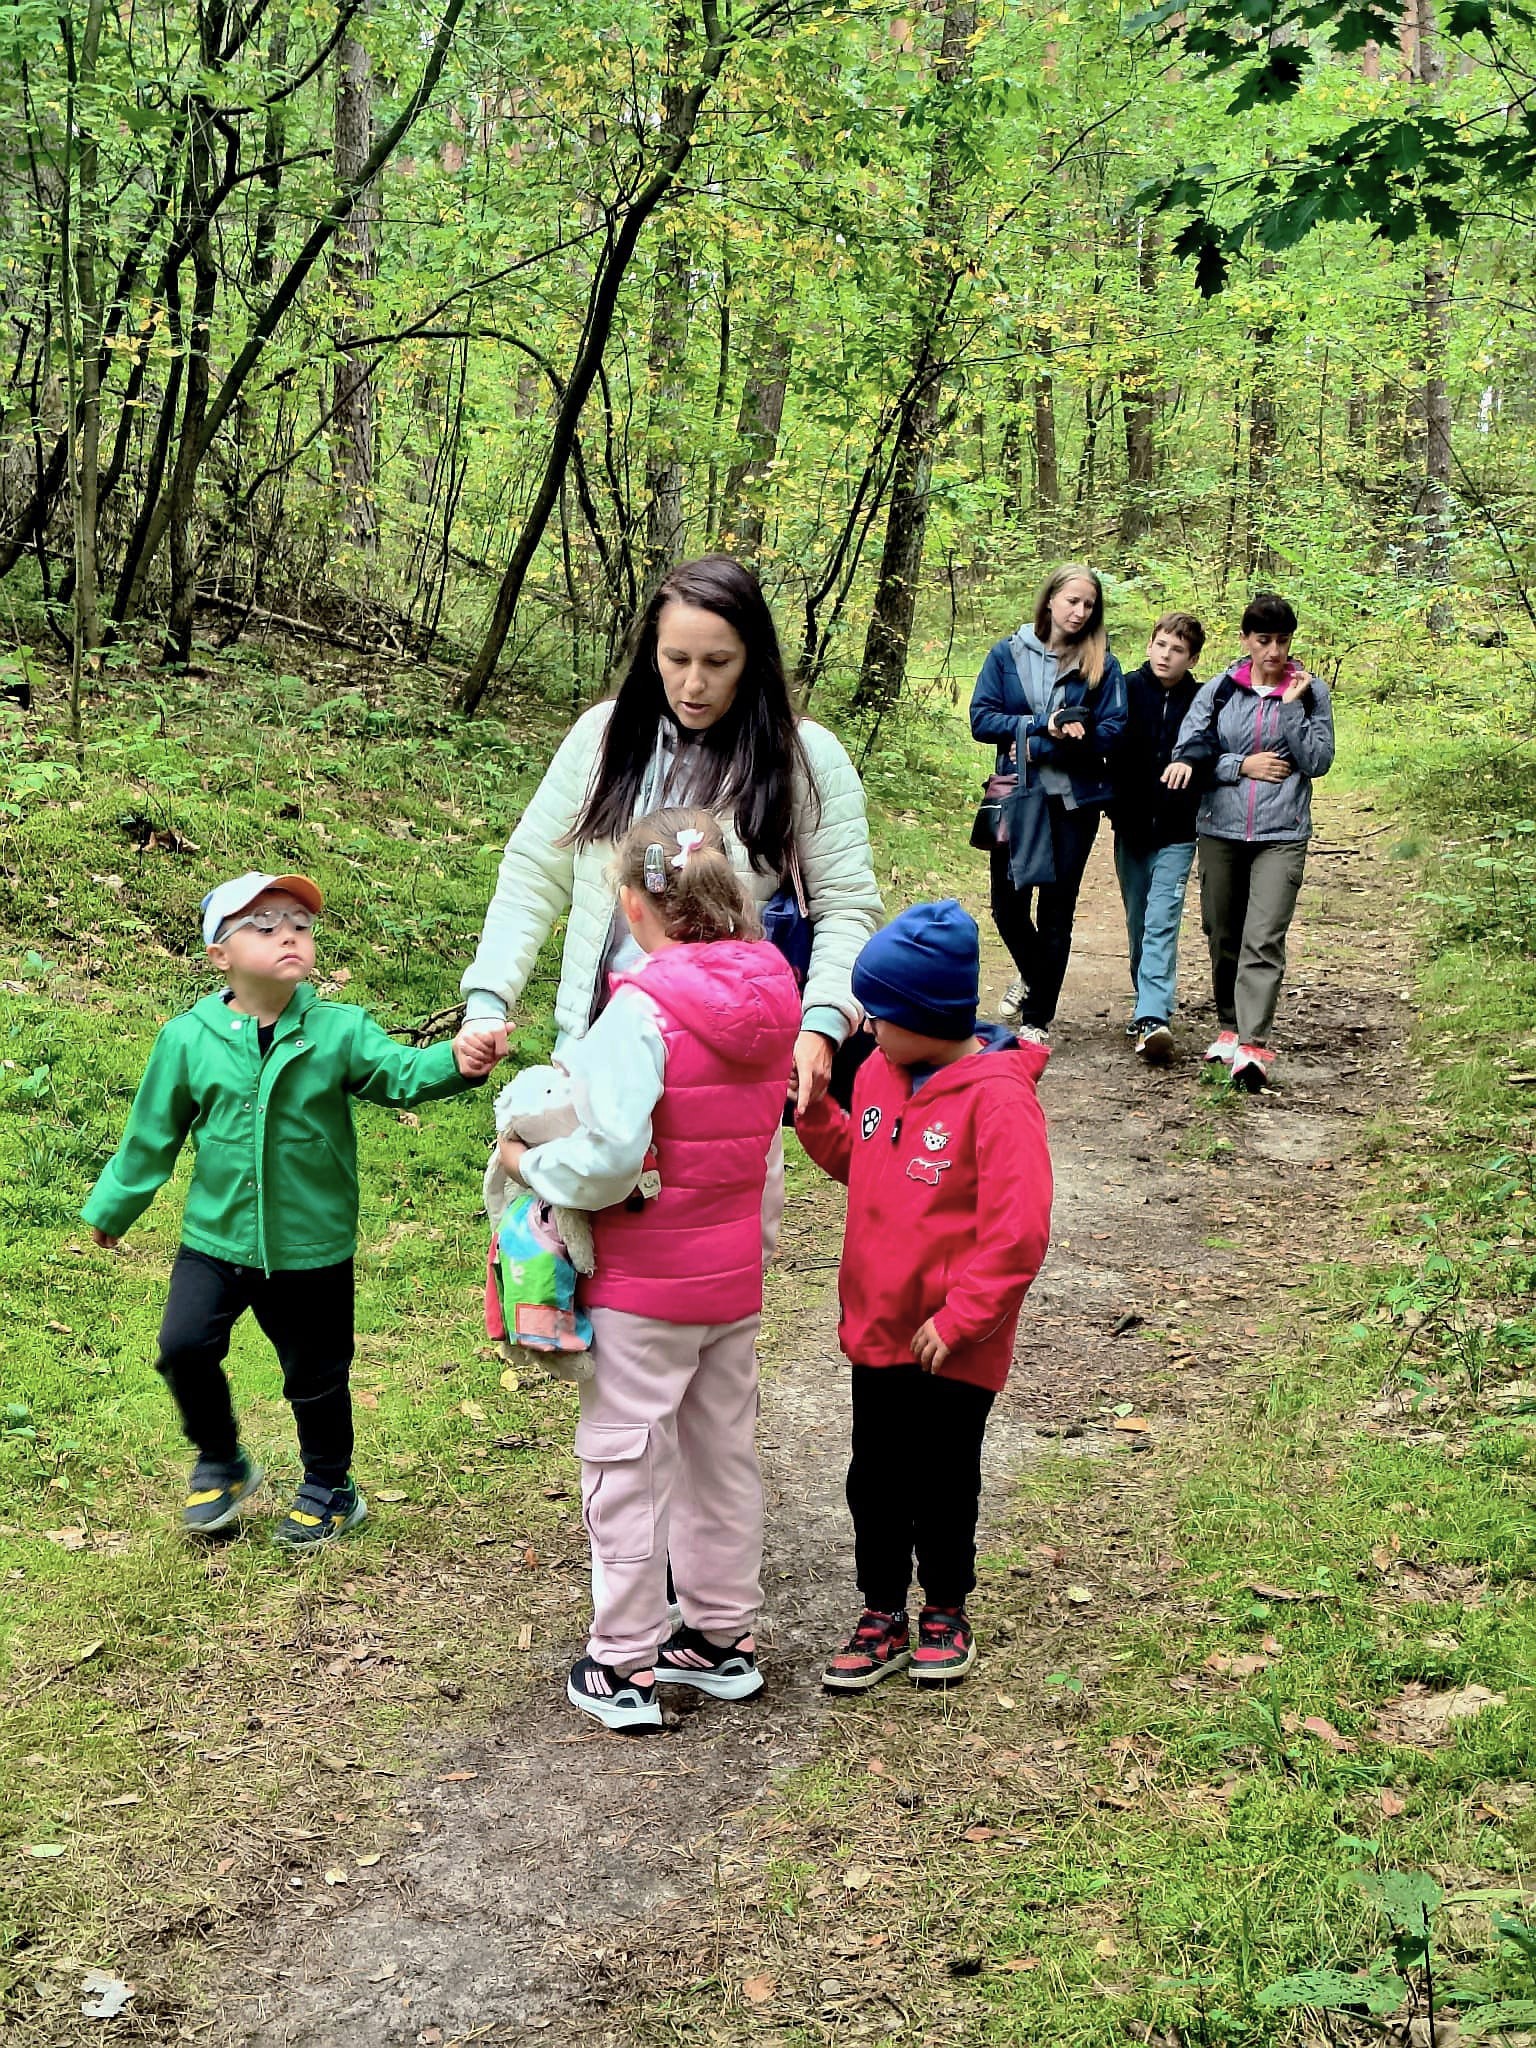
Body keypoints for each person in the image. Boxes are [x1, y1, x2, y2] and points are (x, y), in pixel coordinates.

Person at [495, 808, 800, 1734]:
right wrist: (760, 1244)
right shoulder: (774, 997)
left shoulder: (641, 1012)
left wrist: (524, 1164)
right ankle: (720, 1642)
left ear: (633, 905)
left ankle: (623, 1661)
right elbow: (766, 1157)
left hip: (643, 1283)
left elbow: (608, 1158)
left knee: (625, 1460)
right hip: (729, 1280)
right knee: (721, 1455)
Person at [80, 872, 498, 1546]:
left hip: (313, 1247)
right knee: (182, 1348)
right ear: (220, 955)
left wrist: (458, 1059)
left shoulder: (338, 1030)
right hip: (215, 1239)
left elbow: (400, 1074)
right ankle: (220, 1458)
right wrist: (114, 1206)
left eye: (300, 925)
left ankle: (331, 1487)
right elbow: (151, 1133)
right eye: (266, 925)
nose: (289, 935)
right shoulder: (188, 1038)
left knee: (316, 1376)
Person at [459, 555, 881, 1150]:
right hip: (592, 1057)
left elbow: (847, 906)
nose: (693, 684)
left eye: (717, 662)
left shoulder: (806, 757)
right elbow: (533, 874)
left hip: (724, 1085)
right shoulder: (603, 738)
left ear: (751, 660)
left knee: (703, 1236)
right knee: (569, 1234)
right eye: (676, 659)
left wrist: (823, 1024)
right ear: (651, 652)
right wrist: (488, 997)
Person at [796, 901, 1052, 1689]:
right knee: (874, 1476)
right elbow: (863, 1161)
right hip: (877, 1327)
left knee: (944, 1476)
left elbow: (1018, 1230)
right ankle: (881, 1611)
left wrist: (966, 1314)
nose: (866, 1029)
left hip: (953, 1341)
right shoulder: (879, 1072)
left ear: (924, 1016)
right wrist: (814, 1119)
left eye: (878, 1015)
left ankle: (946, 1604)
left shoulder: (999, 1099)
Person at [1167, 591, 1335, 1091]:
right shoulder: (1219, 689)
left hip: (1282, 834)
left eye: (1282, 641)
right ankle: (1229, 1026)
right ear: (1246, 640)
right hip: (1220, 828)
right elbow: (1189, 751)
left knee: (1263, 937)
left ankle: (1255, 1044)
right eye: (1264, 640)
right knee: (1222, 932)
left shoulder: (1310, 692)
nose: (1274, 652)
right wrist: (1242, 765)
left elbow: (1319, 761)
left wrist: (1288, 710)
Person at [969, 565, 1127, 1042]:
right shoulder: (1008, 654)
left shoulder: (1104, 665)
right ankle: (1038, 976)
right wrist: (1044, 722)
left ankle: (1037, 1018)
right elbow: (981, 718)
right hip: (1018, 797)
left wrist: (1043, 746)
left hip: (1074, 804)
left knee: (1056, 909)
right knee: (1007, 907)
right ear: (1051, 600)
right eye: (1073, 600)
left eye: (1089, 605)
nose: (1080, 612)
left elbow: (1113, 733)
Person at [1109, 611, 1206, 1062]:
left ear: (1192, 658)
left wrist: (1191, 760)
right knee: (1138, 923)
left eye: (1178, 650)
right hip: (1130, 827)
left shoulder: (1202, 699)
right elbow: (1103, 740)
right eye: (1161, 645)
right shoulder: (1125, 690)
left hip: (1178, 830)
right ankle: (1147, 1004)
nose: (1167, 655)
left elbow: (1210, 743)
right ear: (1149, 645)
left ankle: (1152, 1017)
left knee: (1162, 921)